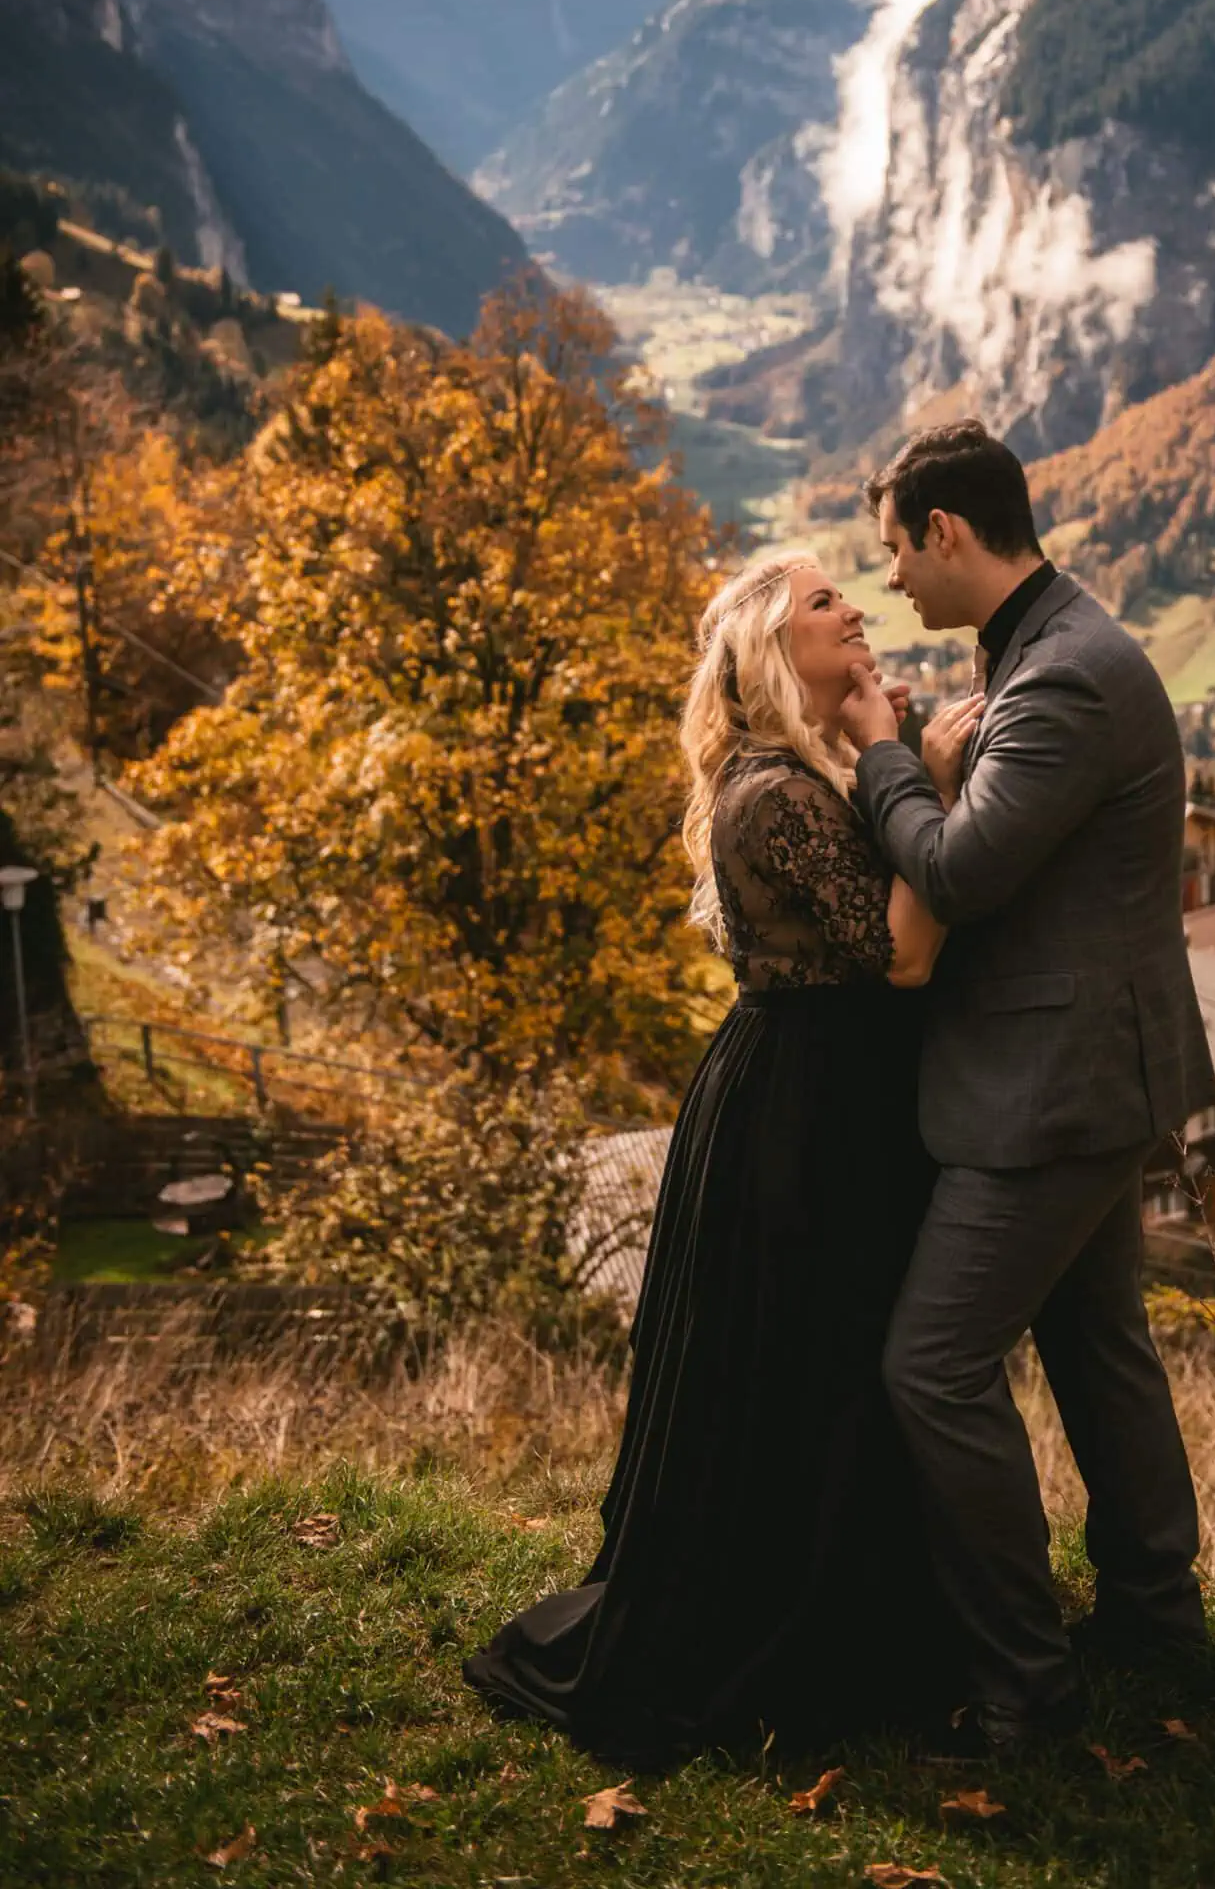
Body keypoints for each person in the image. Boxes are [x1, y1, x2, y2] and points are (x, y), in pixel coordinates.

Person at [464, 550, 969, 1763]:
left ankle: (868, 1619)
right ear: (767, 653)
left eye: (849, 592)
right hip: (801, 1111)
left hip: (823, 1096)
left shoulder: (807, 773)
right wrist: (935, 785)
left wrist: (879, 747)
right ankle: (808, 1635)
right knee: (808, 1360)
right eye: (822, 602)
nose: (854, 607)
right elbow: (902, 952)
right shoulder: (774, 799)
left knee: (833, 1358)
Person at [839, 419, 1215, 1755]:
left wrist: (886, 758)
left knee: (933, 1368)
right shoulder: (1042, 647)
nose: (888, 578)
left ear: (947, 530)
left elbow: (957, 874)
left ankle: (1027, 1689)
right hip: (1089, 1071)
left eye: (894, 548)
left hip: (1051, 1086)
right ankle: (1157, 1622)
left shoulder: (1062, 677)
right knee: (1097, 1348)